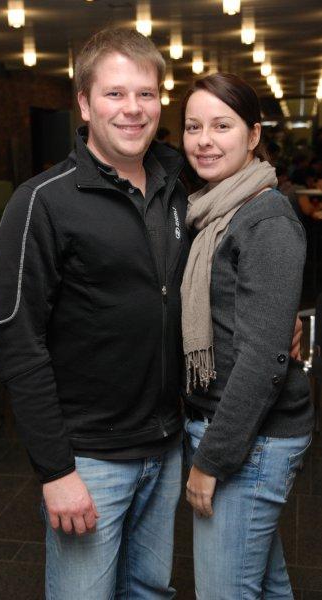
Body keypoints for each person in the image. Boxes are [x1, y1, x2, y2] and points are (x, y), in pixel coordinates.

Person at [0, 28, 190, 599]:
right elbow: (19, 343)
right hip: (89, 460)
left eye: (146, 93)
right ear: (83, 103)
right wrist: (56, 471)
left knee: (151, 591)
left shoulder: (178, 184)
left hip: (165, 443)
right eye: (115, 93)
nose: (133, 108)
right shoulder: (42, 201)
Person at [181, 72, 314, 599]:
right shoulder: (213, 209)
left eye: (222, 125)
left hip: (251, 438)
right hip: (234, 427)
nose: (204, 140)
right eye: (193, 126)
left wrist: (211, 461)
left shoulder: (265, 221)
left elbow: (262, 358)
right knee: (262, 584)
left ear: (254, 134)